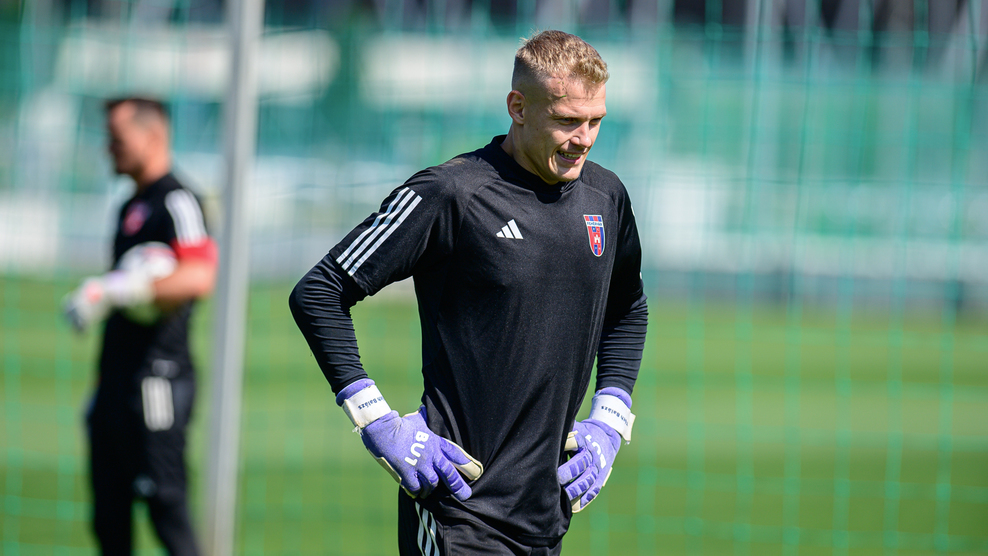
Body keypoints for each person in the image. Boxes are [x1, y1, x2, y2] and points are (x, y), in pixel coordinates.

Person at [290, 30, 647, 555]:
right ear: (518, 107)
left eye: (596, 120)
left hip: (547, 513)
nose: (584, 138)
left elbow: (627, 306)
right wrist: (377, 423)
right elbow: (320, 290)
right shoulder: (450, 193)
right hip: (458, 507)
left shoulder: (606, 197)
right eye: (567, 120)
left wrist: (611, 421)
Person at [64, 97, 217, 555]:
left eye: (117, 138)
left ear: (152, 136)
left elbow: (199, 275)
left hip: (157, 383)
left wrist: (126, 290)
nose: (108, 148)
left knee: (165, 508)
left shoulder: (177, 200)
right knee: (108, 520)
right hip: (116, 383)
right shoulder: (130, 204)